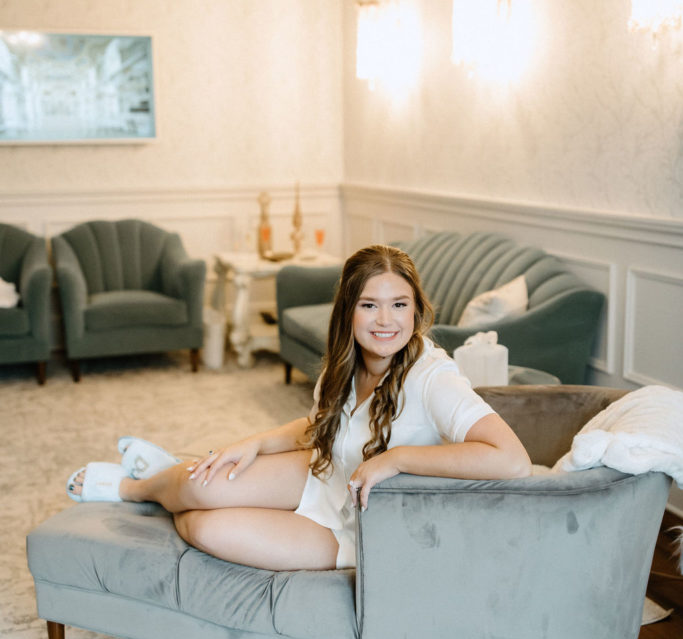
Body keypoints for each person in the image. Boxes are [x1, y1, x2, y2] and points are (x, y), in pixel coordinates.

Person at [67, 245, 531, 571]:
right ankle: (136, 486)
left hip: (352, 529)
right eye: (370, 305)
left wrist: (395, 459)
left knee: (199, 524)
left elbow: (511, 459)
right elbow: (325, 424)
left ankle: (161, 482)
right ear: (348, 310)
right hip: (323, 471)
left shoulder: (434, 377)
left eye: (399, 305)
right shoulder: (347, 361)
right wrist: (256, 443)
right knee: (199, 483)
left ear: (416, 310)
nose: (386, 320)